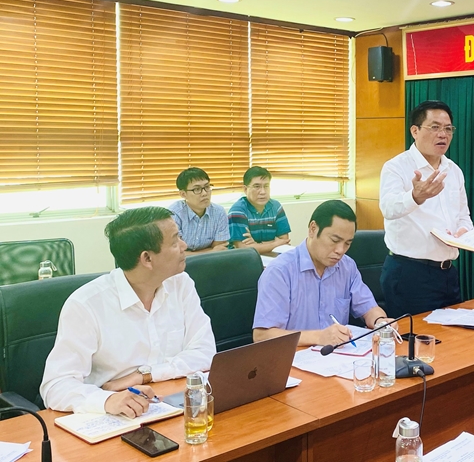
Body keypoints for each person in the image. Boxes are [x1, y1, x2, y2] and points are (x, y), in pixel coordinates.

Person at [40, 207, 216, 416]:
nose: (184, 246)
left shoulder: (180, 284)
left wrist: (145, 375)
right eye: (175, 241)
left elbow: (205, 353)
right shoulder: (86, 305)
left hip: (169, 404)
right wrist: (107, 400)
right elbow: (56, 386)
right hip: (112, 417)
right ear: (147, 258)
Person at [379, 100, 473, 317]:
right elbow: (388, 208)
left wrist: (463, 233)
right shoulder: (396, 167)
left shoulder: (454, 170)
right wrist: (415, 197)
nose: (443, 134)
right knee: (414, 337)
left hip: (448, 274)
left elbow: (464, 216)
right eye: (435, 127)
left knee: (454, 335)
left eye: (448, 129)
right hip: (409, 274)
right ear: (415, 131)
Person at [252, 200, 388, 347]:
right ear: (313, 229)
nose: (340, 250)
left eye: (347, 243)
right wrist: (319, 337)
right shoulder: (280, 272)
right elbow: (262, 336)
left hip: (338, 356)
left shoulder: (347, 266)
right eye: (334, 240)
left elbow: (368, 307)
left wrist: (380, 322)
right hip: (296, 356)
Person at [228, 166, 291, 254]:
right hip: (246, 260)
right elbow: (243, 249)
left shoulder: (276, 207)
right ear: (245, 189)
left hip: (272, 258)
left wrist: (256, 245)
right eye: (257, 186)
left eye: (266, 186)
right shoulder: (238, 211)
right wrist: (274, 243)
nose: (263, 192)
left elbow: (284, 241)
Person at [169, 167, 229, 254]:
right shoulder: (174, 213)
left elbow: (220, 249)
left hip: (211, 261)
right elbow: (176, 253)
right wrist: (210, 252)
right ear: (183, 194)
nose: (204, 193)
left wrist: (192, 254)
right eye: (197, 189)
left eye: (207, 187)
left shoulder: (219, 212)